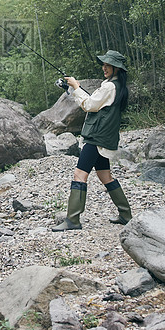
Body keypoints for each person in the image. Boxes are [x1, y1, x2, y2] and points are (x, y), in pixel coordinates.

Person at [52, 49, 132, 231]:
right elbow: (94, 103)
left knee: (79, 175)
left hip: (96, 138)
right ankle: (126, 215)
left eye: (108, 65)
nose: (104, 67)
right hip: (104, 138)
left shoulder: (110, 87)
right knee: (105, 176)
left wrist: (76, 86)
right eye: (103, 64)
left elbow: (89, 105)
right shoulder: (117, 86)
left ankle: (73, 220)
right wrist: (73, 89)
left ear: (117, 68)